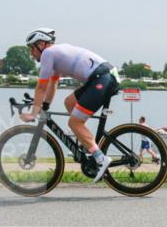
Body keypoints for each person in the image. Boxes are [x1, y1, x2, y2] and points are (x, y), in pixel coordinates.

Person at [21, 28, 120, 182]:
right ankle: (84, 142)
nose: (30, 53)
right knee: (69, 103)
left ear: (41, 44)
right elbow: (52, 84)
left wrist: (33, 113)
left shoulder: (48, 54)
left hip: (102, 79)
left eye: (32, 48)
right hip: (101, 77)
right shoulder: (55, 55)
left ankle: (101, 159)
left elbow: (41, 87)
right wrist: (45, 105)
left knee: (74, 122)